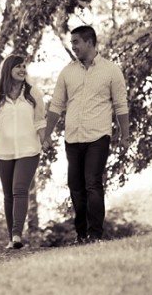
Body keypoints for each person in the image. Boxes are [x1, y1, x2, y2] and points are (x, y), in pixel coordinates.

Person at [42, 25, 129, 244]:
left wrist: (125, 136)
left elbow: (120, 106)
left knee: (92, 183)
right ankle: (81, 235)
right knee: (76, 187)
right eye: (72, 43)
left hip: (98, 136)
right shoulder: (67, 72)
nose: (73, 47)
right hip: (72, 137)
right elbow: (56, 106)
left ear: (89, 42)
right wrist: (46, 135)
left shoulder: (111, 71)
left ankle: (95, 235)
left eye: (76, 42)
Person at [0, 54, 46, 250]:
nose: (22, 70)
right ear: (8, 70)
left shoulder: (33, 93)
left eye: (24, 66)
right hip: (4, 152)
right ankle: (12, 238)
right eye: (18, 66)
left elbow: (40, 120)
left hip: (29, 149)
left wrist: (45, 140)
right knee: (8, 194)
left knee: (19, 189)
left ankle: (17, 235)